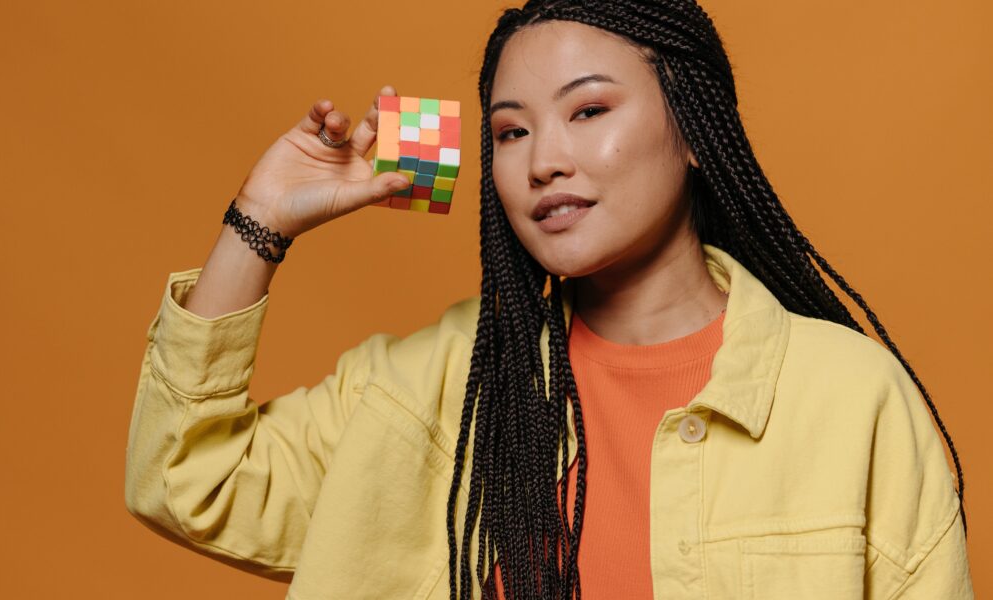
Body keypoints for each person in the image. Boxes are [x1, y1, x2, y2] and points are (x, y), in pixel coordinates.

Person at [124, 1, 974, 598]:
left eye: (589, 110)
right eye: (511, 131)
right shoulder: (435, 385)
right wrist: (261, 217)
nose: (543, 162)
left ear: (694, 131)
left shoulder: (850, 399)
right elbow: (185, 476)